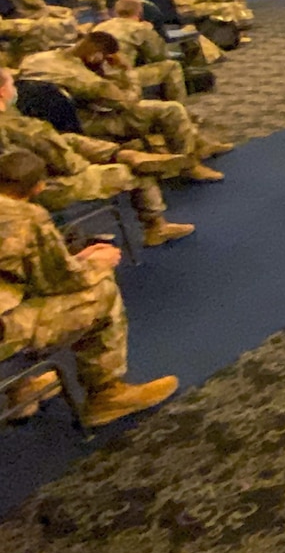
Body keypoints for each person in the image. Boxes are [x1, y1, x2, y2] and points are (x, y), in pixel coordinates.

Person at [0, 150, 180, 427]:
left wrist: (74, 260)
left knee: (18, 296)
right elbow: (59, 281)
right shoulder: (24, 215)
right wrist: (96, 263)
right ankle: (105, 395)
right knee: (100, 292)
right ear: (38, 187)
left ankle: (21, 388)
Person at [0, 69, 194, 246]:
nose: (15, 89)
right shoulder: (23, 129)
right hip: (37, 187)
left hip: (16, 176)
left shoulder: (10, 118)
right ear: (2, 93)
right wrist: (87, 163)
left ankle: (122, 153)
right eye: (11, 85)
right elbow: (69, 166)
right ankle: (156, 226)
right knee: (137, 172)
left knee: (68, 139)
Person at [18, 33, 228, 172]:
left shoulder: (37, 58)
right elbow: (129, 102)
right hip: (87, 122)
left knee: (166, 110)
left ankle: (197, 143)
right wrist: (126, 70)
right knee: (170, 109)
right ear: (95, 55)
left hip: (53, 117)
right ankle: (189, 166)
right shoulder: (85, 80)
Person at [94, 0, 189, 101]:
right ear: (139, 12)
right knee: (172, 66)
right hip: (122, 77)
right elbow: (159, 55)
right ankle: (179, 107)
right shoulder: (139, 28)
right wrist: (150, 31)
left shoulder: (100, 27)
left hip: (98, 77)